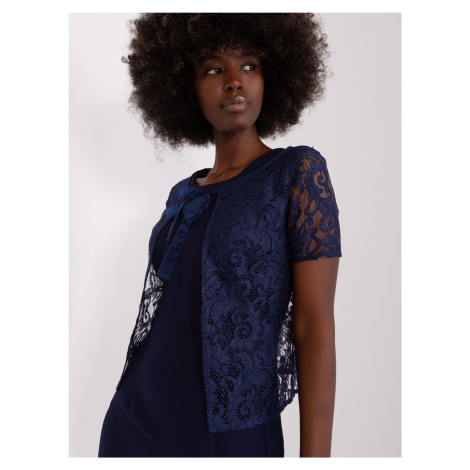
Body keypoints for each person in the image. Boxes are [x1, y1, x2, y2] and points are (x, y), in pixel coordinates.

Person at [98, 13, 342, 458]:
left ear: (271, 77)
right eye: (214, 69)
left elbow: (314, 327)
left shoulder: (296, 173)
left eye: (249, 65)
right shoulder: (183, 192)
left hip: (233, 430)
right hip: (137, 423)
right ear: (186, 87)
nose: (234, 81)